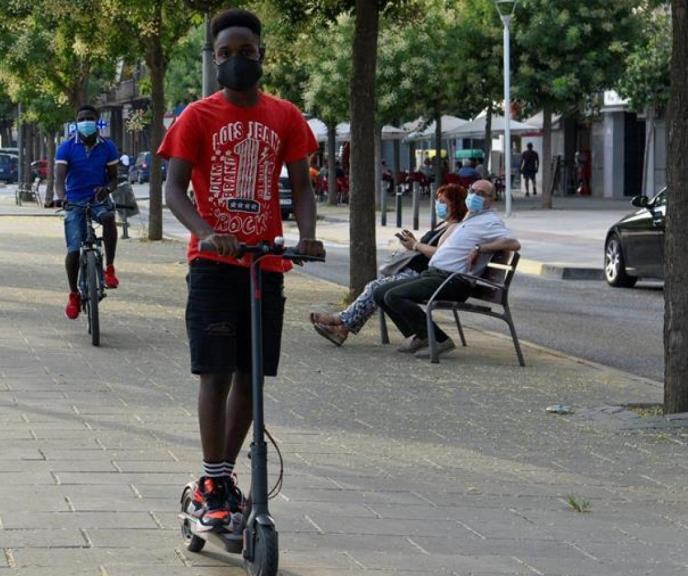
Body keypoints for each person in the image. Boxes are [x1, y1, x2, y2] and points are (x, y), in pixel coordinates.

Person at [158, 8, 325, 531]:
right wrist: (206, 231)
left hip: (264, 263)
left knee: (252, 376)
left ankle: (222, 477)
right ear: (215, 59)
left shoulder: (286, 116)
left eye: (245, 52)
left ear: (261, 55)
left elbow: (300, 185)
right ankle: (211, 480)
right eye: (225, 54)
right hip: (213, 264)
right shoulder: (197, 117)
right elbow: (172, 190)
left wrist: (306, 236)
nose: (236, 61)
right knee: (216, 371)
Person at [373, 179, 520, 358]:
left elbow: (513, 243)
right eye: (472, 190)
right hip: (435, 275)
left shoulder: (490, 221)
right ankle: (420, 335)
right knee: (379, 293)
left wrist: (480, 248)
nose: (474, 195)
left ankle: (440, 339)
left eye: (481, 194)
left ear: (491, 199)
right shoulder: (470, 217)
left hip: (453, 280)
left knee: (394, 296)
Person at [309, 184, 468, 345]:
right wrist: (413, 243)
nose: (438, 205)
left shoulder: (455, 227)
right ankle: (342, 328)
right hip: (413, 271)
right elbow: (426, 248)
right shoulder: (443, 224)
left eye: (443, 201)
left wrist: (415, 245)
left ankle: (340, 322)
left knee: (375, 288)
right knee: (376, 288)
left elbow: (440, 253)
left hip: (422, 275)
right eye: (437, 201)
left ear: (454, 204)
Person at [51, 104, 121, 320]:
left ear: (97, 121)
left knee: (109, 218)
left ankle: (109, 267)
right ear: (76, 122)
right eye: (82, 119)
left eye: (90, 118)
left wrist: (107, 188)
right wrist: (62, 197)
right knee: (73, 250)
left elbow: (114, 178)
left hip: (98, 199)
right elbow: (59, 179)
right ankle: (73, 293)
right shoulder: (66, 148)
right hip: (75, 201)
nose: (86, 122)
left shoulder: (108, 147)